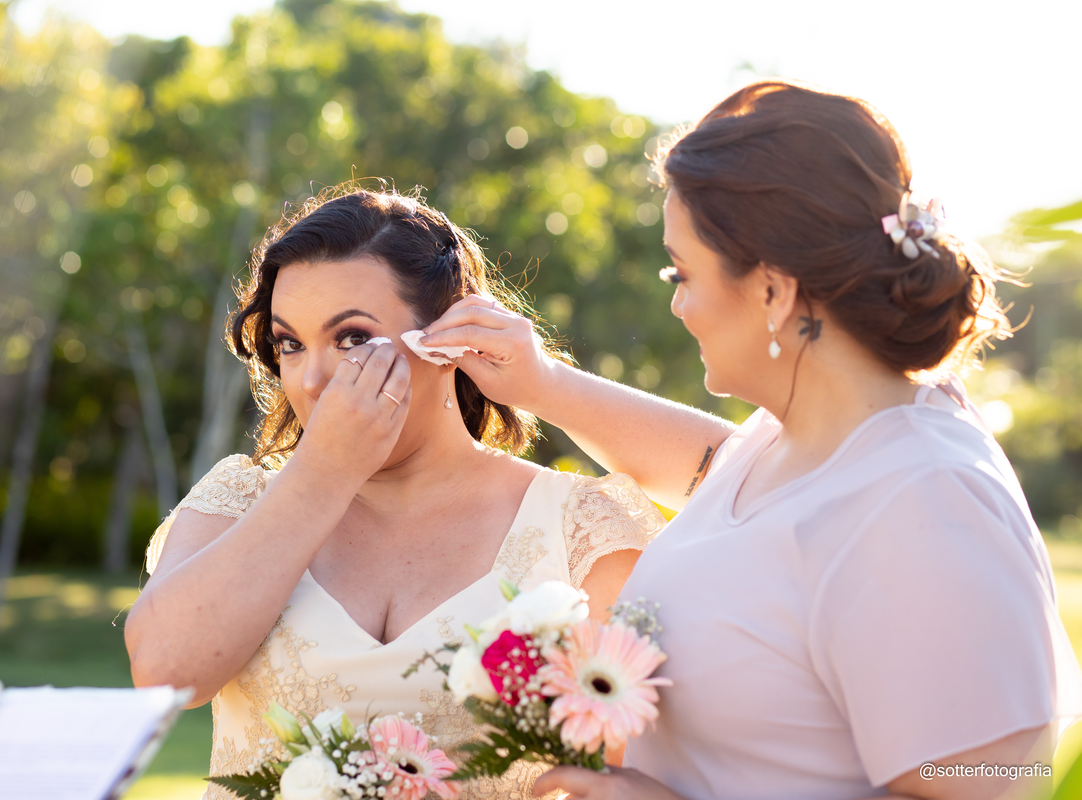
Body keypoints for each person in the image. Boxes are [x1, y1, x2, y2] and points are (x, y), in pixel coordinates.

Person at [418, 80, 1082, 799]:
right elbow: (721, 482)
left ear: (774, 289)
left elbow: (997, 784)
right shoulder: (799, 440)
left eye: (684, 272)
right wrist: (542, 384)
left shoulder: (923, 501)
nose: (676, 302)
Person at [123, 188, 685, 800]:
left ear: (446, 343)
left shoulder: (581, 527)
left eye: (351, 339)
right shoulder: (239, 498)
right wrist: (323, 474)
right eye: (290, 344)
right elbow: (165, 674)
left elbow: (636, 771)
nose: (312, 381)